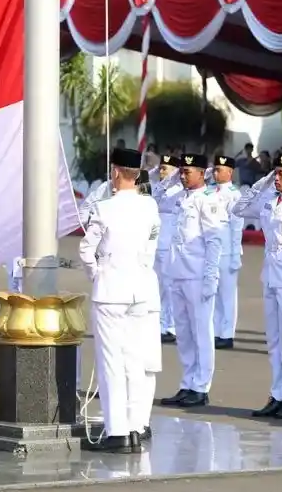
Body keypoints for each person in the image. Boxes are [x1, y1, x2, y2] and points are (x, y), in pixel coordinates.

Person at [79, 147, 161, 454]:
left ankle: (118, 433)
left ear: (115, 172)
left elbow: (87, 250)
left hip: (112, 290)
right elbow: (152, 244)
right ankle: (135, 427)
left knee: (111, 362)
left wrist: (98, 273)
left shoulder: (105, 208)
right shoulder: (149, 206)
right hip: (141, 288)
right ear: (138, 174)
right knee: (134, 361)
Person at [231, 152, 282, 419]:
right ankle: (277, 394)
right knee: (275, 340)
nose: (277, 177)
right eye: (275, 172)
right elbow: (238, 208)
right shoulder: (270, 199)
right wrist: (262, 183)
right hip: (271, 275)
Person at [160, 153, 222, 408]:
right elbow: (155, 197)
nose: (183, 176)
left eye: (187, 172)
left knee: (201, 332)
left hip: (197, 275)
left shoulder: (208, 200)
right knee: (184, 333)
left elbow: (214, 241)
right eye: (181, 172)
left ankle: (201, 386)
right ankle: (187, 382)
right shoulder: (180, 197)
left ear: (202, 173)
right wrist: (171, 177)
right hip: (177, 272)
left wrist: (210, 277)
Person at [136, 169, 162, 441]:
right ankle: (140, 421)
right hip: (145, 290)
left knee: (133, 362)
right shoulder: (150, 207)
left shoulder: (136, 209)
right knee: (145, 362)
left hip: (130, 293)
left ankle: (134, 421)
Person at [147, 154, 184, 343]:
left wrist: (174, 175)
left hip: (171, 246)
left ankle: (172, 326)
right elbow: (147, 176)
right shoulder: (156, 188)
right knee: (157, 287)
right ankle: (161, 324)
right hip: (156, 244)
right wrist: (157, 172)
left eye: (166, 168)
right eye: (160, 168)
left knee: (171, 288)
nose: (161, 172)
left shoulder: (180, 190)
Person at [210, 155, 243, 350]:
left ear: (229, 172)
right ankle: (215, 331)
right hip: (212, 252)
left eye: (219, 170)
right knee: (212, 293)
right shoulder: (208, 192)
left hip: (227, 251)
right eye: (214, 169)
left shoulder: (234, 194)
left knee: (227, 295)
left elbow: (237, 226)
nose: (215, 173)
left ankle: (227, 333)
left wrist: (235, 254)